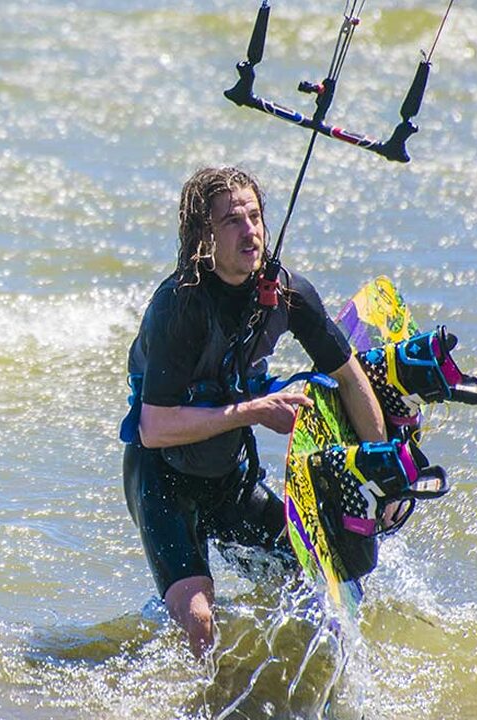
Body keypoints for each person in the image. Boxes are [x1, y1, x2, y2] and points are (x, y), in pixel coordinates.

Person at [121, 166, 387, 659]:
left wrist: (378, 463)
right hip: (164, 480)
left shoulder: (288, 293)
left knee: (311, 587)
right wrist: (254, 411)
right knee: (200, 624)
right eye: (232, 221)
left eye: (255, 216)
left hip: (231, 477)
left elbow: (349, 377)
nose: (251, 231)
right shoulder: (179, 306)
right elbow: (154, 428)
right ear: (204, 235)